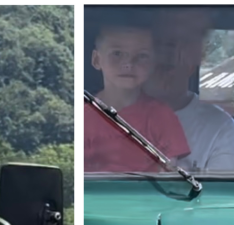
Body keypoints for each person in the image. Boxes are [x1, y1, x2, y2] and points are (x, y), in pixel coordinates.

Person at [82, 21, 191, 172]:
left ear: (153, 63)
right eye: (117, 53)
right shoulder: (83, 117)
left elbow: (171, 173)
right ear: (96, 60)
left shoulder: (162, 116)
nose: (128, 64)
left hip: (147, 195)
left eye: (141, 56)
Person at [146, 9, 234, 172]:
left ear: (198, 56)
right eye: (161, 42)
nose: (171, 53)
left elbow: (219, 196)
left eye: (182, 42)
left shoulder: (220, 127)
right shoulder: (111, 115)